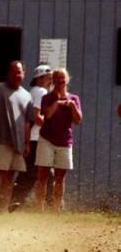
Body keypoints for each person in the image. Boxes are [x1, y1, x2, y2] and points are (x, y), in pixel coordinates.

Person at [0, 61, 34, 211]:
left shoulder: (27, 96)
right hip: (0, 140)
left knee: (9, 177)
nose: (16, 75)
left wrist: (26, 143)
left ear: (24, 74)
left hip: (17, 144)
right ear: (8, 74)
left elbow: (27, 123)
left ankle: (2, 210)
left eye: (19, 72)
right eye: (13, 72)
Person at [34, 68, 82, 212]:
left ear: (67, 80)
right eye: (57, 78)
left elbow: (78, 120)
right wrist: (58, 103)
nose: (60, 81)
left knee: (60, 177)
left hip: (65, 141)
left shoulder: (74, 98)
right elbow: (47, 116)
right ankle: (39, 208)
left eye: (63, 78)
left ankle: (56, 209)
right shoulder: (47, 98)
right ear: (53, 81)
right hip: (47, 139)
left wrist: (72, 105)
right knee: (42, 174)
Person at [12, 65, 53, 210]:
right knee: (40, 173)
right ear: (40, 78)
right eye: (48, 77)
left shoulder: (32, 91)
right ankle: (53, 205)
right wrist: (51, 121)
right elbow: (37, 117)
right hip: (37, 138)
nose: (50, 79)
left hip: (33, 138)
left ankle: (16, 200)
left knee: (31, 172)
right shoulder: (41, 92)